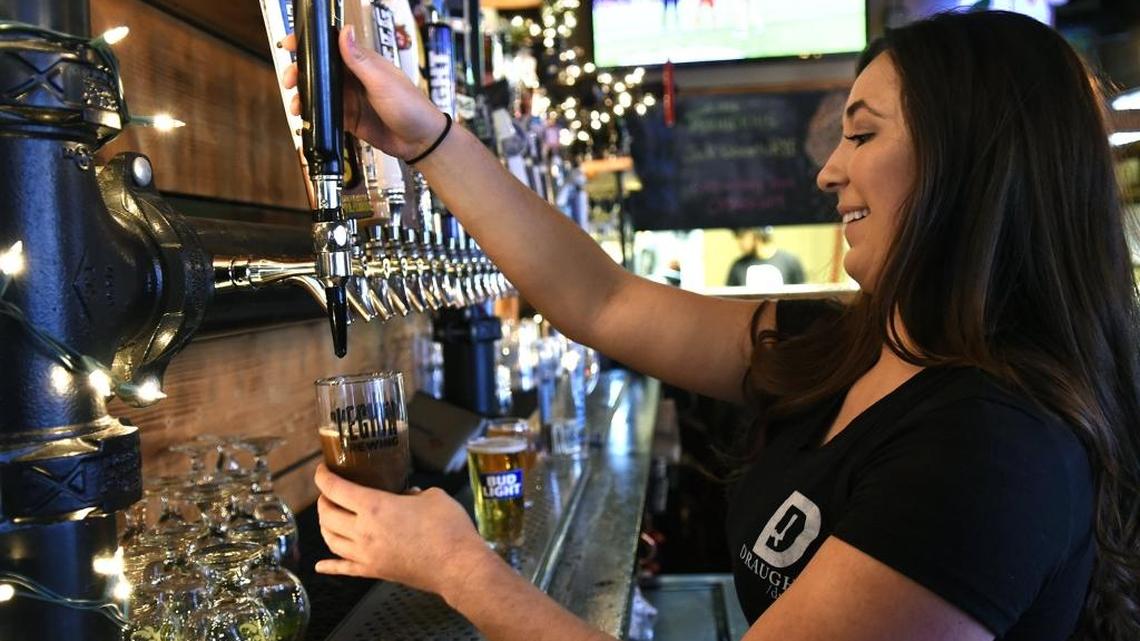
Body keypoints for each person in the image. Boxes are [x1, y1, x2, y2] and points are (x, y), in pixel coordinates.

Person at [281, 9, 1140, 641]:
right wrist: (425, 137)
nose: (829, 172)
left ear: (973, 163)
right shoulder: (850, 342)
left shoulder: (993, 453)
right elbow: (601, 301)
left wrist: (462, 570)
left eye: (862, 134)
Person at [725, 226, 805, 287]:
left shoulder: (790, 261)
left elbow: (801, 299)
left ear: (755, 233)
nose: (738, 241)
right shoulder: (737, 266)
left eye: (741, 236)